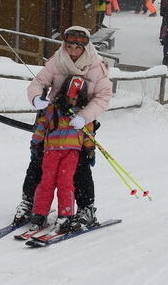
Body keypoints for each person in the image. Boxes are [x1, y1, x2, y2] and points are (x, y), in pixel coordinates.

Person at [19, 26, 114, 232]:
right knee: (37, 161)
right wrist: (36, 98)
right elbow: (38, 83)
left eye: (77, 48)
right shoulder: (57, 61)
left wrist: (85, 116)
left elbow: (104, 96)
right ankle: (29, 202)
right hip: (52, 119)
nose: (72, 51)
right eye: (69, 46)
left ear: (85, 47)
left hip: (80, 123)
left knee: (79, 166)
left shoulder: (96, 67)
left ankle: (86, 209)